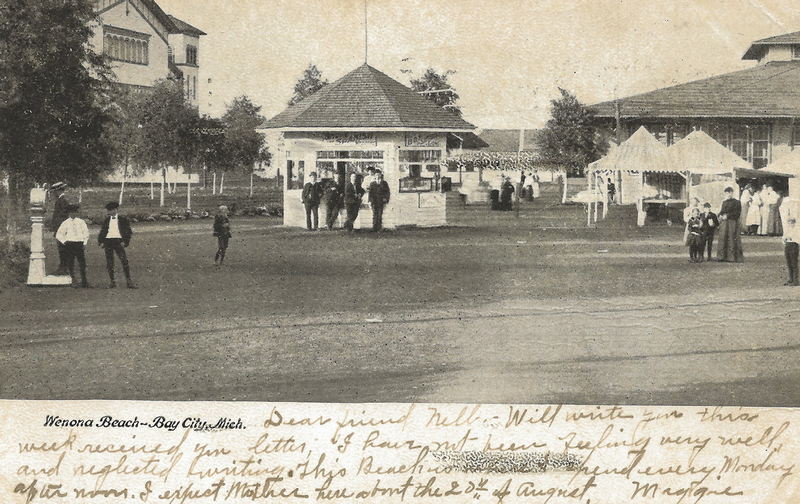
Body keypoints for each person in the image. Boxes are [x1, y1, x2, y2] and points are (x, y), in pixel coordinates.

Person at [98, 201, 135, 289]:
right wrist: (101, 241)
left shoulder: (123, 220)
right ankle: (112, 281)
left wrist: (125, 242)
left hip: (118, 241)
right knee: (110, 263)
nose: (112, 212)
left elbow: (128, 232)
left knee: (124, 261)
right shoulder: (106, 220)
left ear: (117, 210)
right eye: (110, 210)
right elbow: (103, 231)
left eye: (114, 210)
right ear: (108, 211)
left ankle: (129, 281)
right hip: (108, 242)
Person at [55, 204, 89, 288]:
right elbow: (58, 234)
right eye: (71, 212)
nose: (73, 214)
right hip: (70, 244)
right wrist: (65, 241)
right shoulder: (65, 223)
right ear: (69, 213)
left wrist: (84, 243)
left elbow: (86, 233)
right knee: (71, 262)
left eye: (75, 212)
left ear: (77, 213)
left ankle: (84, 281)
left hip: (79, 244)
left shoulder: (81, 222)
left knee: (82, 263)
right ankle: (73, 280)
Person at [717, 186, 744, 263]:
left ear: (732, 193)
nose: (728, 194)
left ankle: (731, 257)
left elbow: (737, 213)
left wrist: (728, 216)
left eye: (729, 192)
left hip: (732, 223)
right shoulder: (724, 202)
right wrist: (720, 215)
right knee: (723, 238)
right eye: (726, 193)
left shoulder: (737, 202)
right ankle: (721, 257)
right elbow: (721, 211)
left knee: (731, 238)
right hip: (724, 223)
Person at [49, 182, 70, 275]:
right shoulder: (61, 200)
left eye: (54, 191)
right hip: (60, 228)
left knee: (63, 248)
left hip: (61, 229)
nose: (53, 194)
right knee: (62, 248)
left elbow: (61, 217)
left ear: (58, 191)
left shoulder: (62, 201)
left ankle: (63, 268)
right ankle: (63, 267)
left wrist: (58, 229)